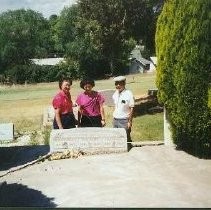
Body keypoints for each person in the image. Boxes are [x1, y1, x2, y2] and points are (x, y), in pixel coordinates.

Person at [112, 76, 135, 143]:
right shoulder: (115, 93)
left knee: (126, 137)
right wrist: (114, 118)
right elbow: (115, 106)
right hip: (115, 119)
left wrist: (130, 121)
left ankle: (130, 150)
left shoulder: (129, 93)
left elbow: (132, 108)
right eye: (116, 84)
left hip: (124, 120)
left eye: (120, 84)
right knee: (117, 137)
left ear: (124, 84)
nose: (118, 85)